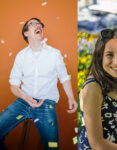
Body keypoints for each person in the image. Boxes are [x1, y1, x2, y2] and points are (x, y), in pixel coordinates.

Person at [0, 18, 77, 150]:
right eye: (33, 24)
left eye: (39, 24)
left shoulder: (54, 54)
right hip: (23, 102)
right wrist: (25, 98)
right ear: (26, 33)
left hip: (46, 103)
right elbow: (13, 85)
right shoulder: (21, 56)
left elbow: (64, 77)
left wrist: (71, 96)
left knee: (52, 147)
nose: (38, 26)